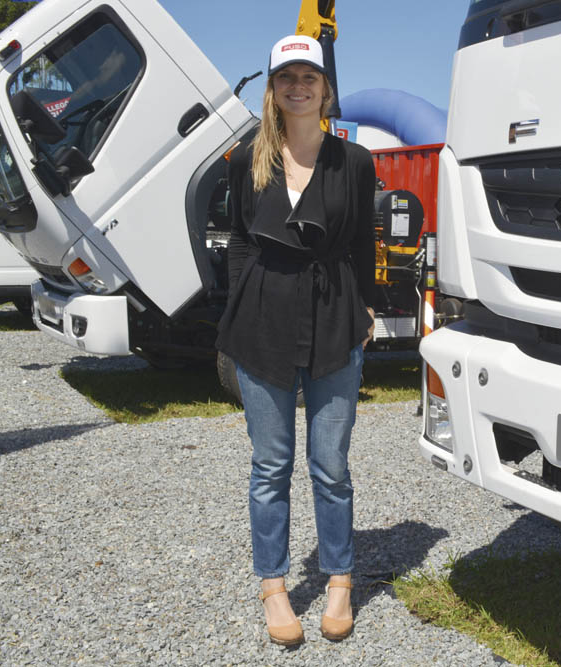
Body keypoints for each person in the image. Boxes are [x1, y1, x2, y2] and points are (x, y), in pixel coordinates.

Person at [216, 34, 376, 646]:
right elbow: (239, 239)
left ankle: (339, 580)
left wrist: (365, 307)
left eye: (310, 76)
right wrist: (239, 306)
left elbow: (362, 241)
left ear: (326, 89)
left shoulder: (354, 161)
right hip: (263, 318)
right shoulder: (245, 159)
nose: (299, 86)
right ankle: (274, 586)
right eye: (288, 77)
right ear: (274, 88)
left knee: (330, 465)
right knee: (270, 465)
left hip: (335, 317)